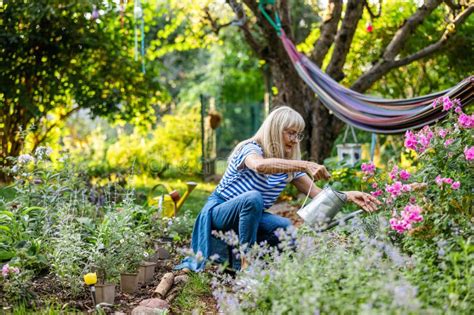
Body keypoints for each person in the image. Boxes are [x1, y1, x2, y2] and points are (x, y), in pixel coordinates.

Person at [176, 106, 380, 271]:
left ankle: (272, 270)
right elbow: (260, 165)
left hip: (249, 215)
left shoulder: (288, 166)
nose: (294, 139)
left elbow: (318, 195)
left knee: (284, 227)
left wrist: (350, 196)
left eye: (298, 135)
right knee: (253, 198)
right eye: (290, 133)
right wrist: (305, 164)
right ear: (274, 129)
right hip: (219, 213)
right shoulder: (250, 147)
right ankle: (247, 264)